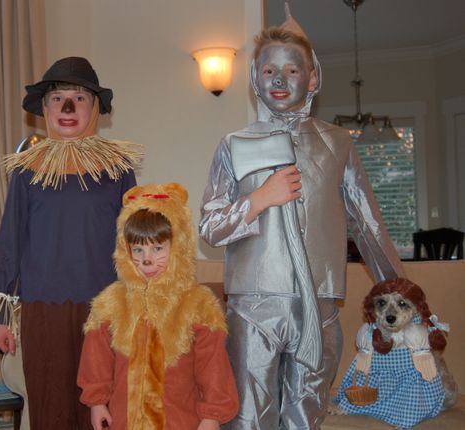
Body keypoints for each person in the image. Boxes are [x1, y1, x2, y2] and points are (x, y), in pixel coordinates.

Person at [198, 6, 405, 430]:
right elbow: (209, 227)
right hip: (255, 304)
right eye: (269, 70)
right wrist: (257, 200)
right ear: (255, 78)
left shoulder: (337, 143)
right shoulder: (234, 144)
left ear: (313, 79)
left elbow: (367, 223)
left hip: (321, 303)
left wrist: (402, 290)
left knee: (307, 414)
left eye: (292, 71)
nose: (278, 79)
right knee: (250, 418)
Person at [0, 57, 141, 429]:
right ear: (45, 108)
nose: (68, 107)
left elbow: (135, 238)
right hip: (42, 309)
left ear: (94, 107)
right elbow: (10, 239)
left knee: (102, 410)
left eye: (79, 97)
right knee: (49, 406)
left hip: (105, 311)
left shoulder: (117, 168)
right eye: (58, 97)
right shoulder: (26, 170)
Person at [77, 182, 239, 430]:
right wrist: (97, 402)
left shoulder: (198, 304)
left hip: (180, 421)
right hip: (125, 420)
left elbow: (213, 367)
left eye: (158, 248)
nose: (147, 259)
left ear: (179, 247)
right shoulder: (111, 303)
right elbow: (96, 360)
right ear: (124, 250)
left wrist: (212, 415)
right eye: (138, 249)